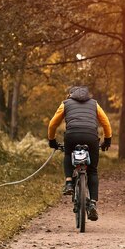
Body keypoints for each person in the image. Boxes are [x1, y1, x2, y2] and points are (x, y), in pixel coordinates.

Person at [47, 86, 112, 221]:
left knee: (67, 154)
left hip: (72, 135)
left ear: (69, 95)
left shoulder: (65, 104)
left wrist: (52, 141)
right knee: (92, 170)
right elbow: (106, 123)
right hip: (91, 136)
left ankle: (69, 182)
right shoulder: (94, 104)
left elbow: (53, 124)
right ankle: (93, 203)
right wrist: (107, 141)